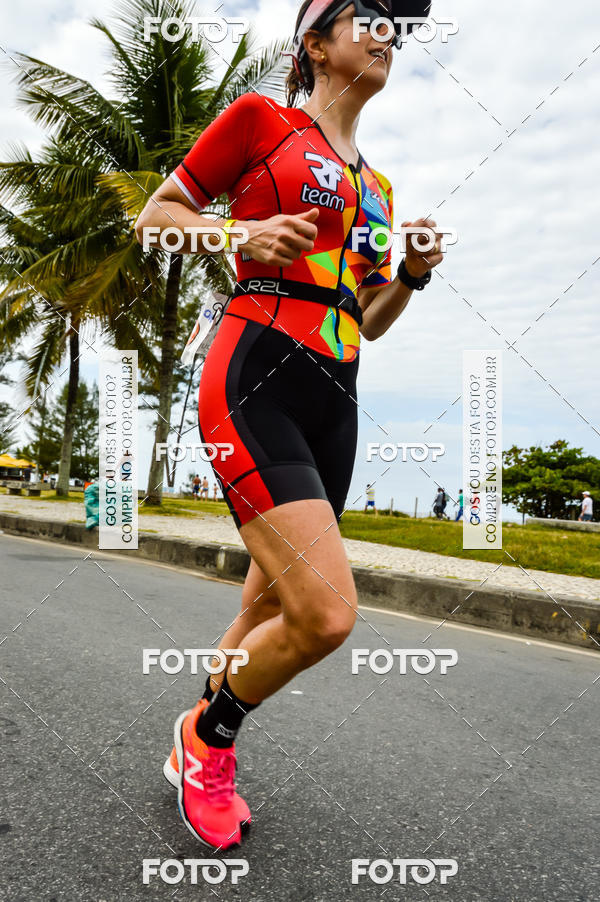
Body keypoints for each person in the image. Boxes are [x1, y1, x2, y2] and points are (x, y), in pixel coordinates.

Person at [135, 0, 441, 851]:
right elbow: (155, 218)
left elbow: (370, 316)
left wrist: (410, 273)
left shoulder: (376, 186)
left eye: (397, 25)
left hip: (335, 396)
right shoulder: (259, 122)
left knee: (269, 599)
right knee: (327, 614)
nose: (388, 33)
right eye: (368, 17)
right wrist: (238, 230)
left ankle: (190, 735)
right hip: (256, 370)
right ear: (314, 43)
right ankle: (208, 741)